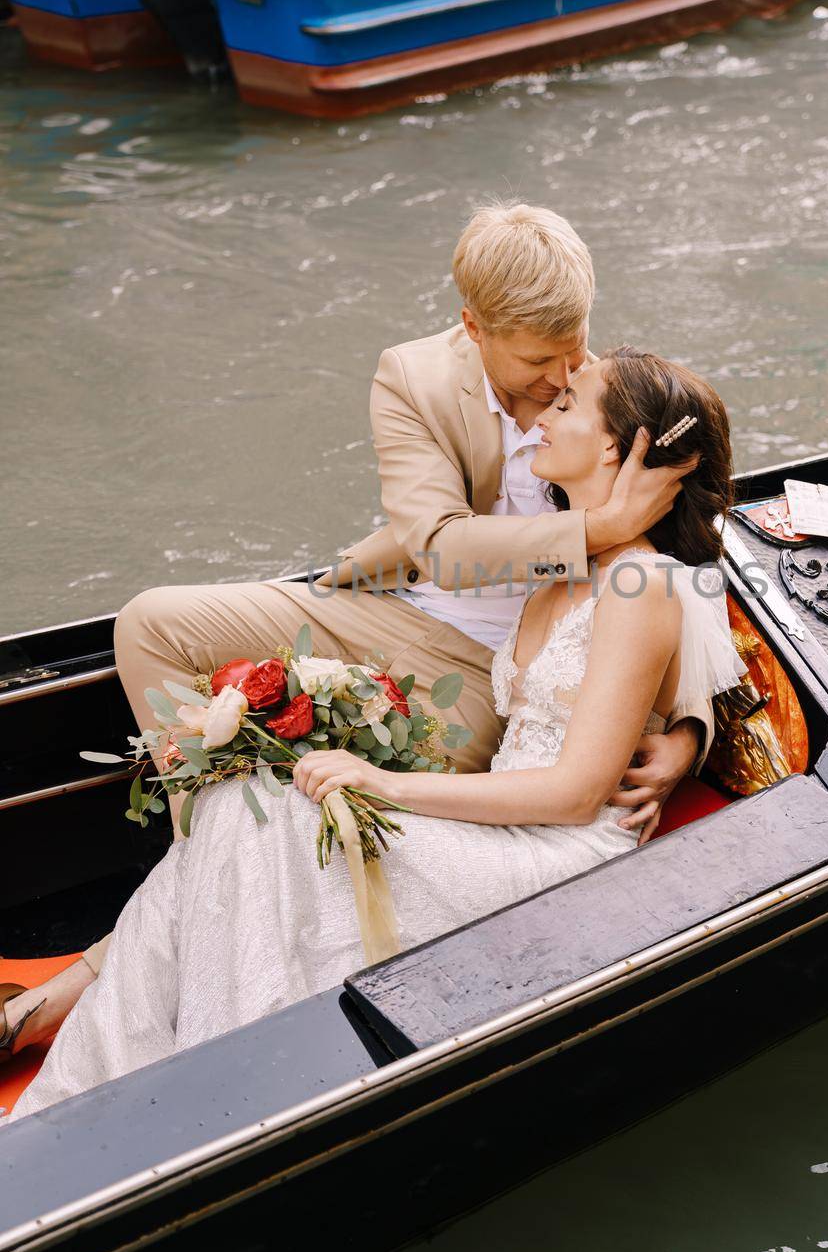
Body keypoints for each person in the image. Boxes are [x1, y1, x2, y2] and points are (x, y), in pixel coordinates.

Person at [0, 204, 708, 1065]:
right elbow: (440, 548)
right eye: (540, 367)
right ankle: (208, 891)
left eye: (575, 360)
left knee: (263, 825)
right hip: (409, 614)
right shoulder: (419, 382)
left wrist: (687, 732)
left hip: (502, 726)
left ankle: (81, 987)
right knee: (158, 640)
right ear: (473, 329)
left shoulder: (610, 422)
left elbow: (683, 568)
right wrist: (589, 532)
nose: (562, 379)